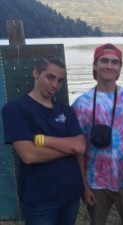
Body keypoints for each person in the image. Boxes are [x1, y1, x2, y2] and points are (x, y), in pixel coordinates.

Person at [1, 56, 86, 225]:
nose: (55, 85)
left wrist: (43, 140)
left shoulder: (66, 111)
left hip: (70, 194)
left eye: (60, 81)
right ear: (36, 73)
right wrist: (69, 147)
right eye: (50, 77)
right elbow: (29, 155)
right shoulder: (16, 109)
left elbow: (81, 146)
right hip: (41, 198)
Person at [71, 43, 123, 225]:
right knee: (96, 221)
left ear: (120, 68)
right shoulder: (81, 104)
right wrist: (84, 185)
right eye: (104, 61)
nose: (109, 66)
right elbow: (78, 148)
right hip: (95, 180)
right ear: (95, 65)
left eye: (115, 62)